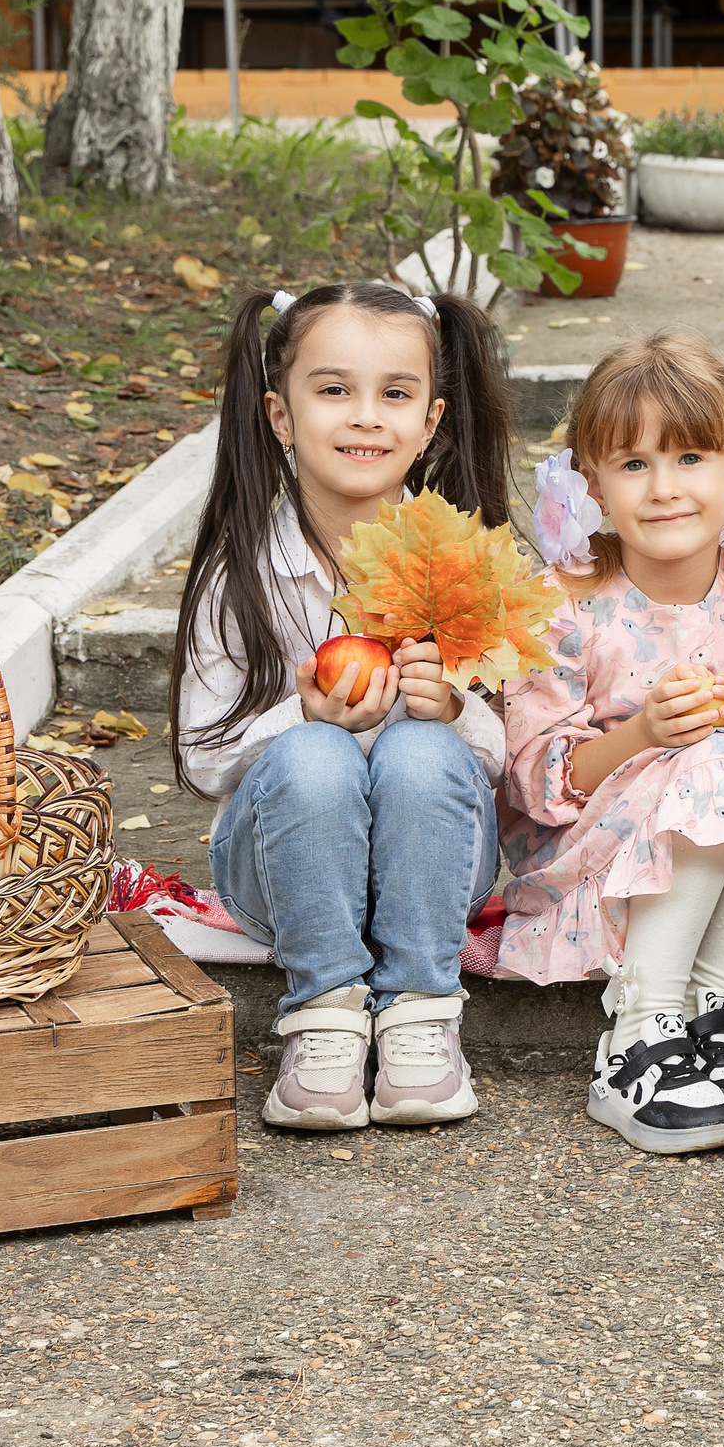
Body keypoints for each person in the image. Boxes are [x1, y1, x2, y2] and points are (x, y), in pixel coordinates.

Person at [172, 282, 514, 1133]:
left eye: (394, 394)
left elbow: (509, 755)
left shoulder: (462, 569)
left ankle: (420, 1016)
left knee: (423, 751)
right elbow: (202, 758)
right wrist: (305, 720)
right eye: (333, 390)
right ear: (281, 416)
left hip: (433, 868)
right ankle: (323, 1016)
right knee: (316, 757)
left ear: (430, 421)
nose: (365, 417)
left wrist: (453, 710)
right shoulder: (241, 575)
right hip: (278, 877)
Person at [499, 334, 724, 1156]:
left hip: (721, 853)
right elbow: (538, 782)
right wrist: (643, 733)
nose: (664, 489)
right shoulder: (563, 607)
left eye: (690, 457)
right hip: (597, 856)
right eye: (633, 464)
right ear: (590, 483)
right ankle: (639, 1030)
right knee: (720, 762)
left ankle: (711, 1007)